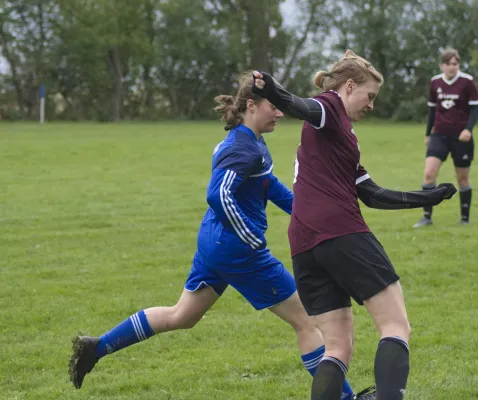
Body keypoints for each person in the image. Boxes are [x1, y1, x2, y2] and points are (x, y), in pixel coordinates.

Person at [68, 70, 370, 400]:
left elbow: (268, 185)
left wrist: (308, 209)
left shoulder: (252, 141)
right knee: (308, 323)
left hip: (215, 243)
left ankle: (96, 348)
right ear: (252, 106)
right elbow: (218, 195)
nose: (281, 112)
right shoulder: (244, 148)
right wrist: (249, 236)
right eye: (274, 106)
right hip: (238, 250)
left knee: (181, 315)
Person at [251, 50, 457, 400]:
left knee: (337, 348)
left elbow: (372, 193)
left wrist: (426, 197)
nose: (372, 105)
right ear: (349, 86)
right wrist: (272, 89)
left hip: (304, 245)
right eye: (370, 96)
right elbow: (301, 105)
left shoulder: (341, 135)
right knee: (395, 325)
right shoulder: (330, 108)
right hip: (340, 231)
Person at [413, 48, 478, 228]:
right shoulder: (435, 82)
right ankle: (426, 217)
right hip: (439, 135)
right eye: (449, 64)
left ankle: (465, 219)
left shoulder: (467, 82)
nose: (453, 67)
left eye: (455, 64)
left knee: (463, 179)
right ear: (442, 65)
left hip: (461, 137)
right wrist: (428, 133)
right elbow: (432, 110)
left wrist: (468, 129)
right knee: (428, 174)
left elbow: (475, 109)